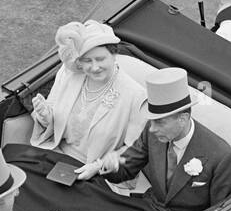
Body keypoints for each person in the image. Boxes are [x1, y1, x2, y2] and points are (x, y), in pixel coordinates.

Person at [78, 68, 231, 211]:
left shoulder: (222, 157)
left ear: (182, 119)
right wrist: (105, 165)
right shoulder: (152, 131)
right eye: (151, 122)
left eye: (160, 123)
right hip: (146, 210)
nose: (152, 129)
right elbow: (127, 168)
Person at [28, 18, 146, 164]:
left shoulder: (136, 96)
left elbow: (133, 152)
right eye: (87, 61)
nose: (95, 67)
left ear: (114, 55)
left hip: (93, 173)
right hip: (54, 154)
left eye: (100, 59)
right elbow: (52, 124)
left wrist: (98, 167)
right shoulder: (69, 75)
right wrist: (46, 116)